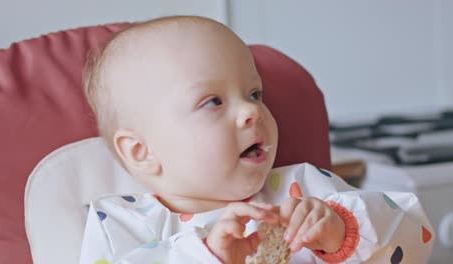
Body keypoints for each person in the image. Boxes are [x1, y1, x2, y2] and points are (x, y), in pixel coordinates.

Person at [79, 15, 433, 263]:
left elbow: (416, 239)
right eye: (213, 101)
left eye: (254, 94)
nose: (252, 112)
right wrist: (206, 257)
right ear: (142, 151)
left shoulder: (303, 188)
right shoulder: (122, 223)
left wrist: (342, 231)